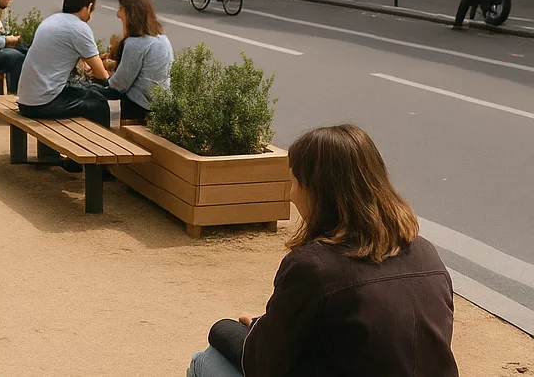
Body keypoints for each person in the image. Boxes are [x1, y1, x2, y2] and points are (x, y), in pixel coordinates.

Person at [188, 124, 457, 377]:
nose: (291, 194)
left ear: (316, 191)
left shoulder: (313, 267)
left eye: (293, 182)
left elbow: (260, 365)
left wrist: (224, 328)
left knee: (205, 360)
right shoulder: (425, 252)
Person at [17, 0, 111, 146]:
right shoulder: (79, 28)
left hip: (26, 100)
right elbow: (102, 75)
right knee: (99, 104)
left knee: (84, 93)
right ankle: (99, 164)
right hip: (44, 103)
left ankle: (58, 155)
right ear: (88, 7)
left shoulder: (51, 20)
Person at [100, 0, 173, 122]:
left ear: (131, 16)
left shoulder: (135, 43)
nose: (117, 14)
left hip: (139, 106)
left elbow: (119, 85)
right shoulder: (163, 39)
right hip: (159, 105)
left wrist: (100, 81)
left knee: (86, 104)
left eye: (121, 10)